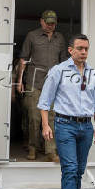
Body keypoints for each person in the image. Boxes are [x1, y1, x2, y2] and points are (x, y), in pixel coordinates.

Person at [38, 34, 95, 189]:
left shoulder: (93, 74)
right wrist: (46, 125)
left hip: (86, 127)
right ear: (70, 50)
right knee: (70, 169)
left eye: (86, 49)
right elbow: (44, 101)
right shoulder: (58, 71)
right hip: (65, 125)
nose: (84, 52)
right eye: (80, 48)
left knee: (79, 170)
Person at [17, 10, 67, 162]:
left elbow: (64, 61)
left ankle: (51, 150)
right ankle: (33, 147)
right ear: (41, 21)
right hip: (34, 82)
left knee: (52, 117)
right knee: (34, 117)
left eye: (53, 23)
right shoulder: (32, 36)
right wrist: (19, 80)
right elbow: (23, 59)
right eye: (48, 22)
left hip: (53, 85)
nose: (51, 25)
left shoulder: (60, 38)